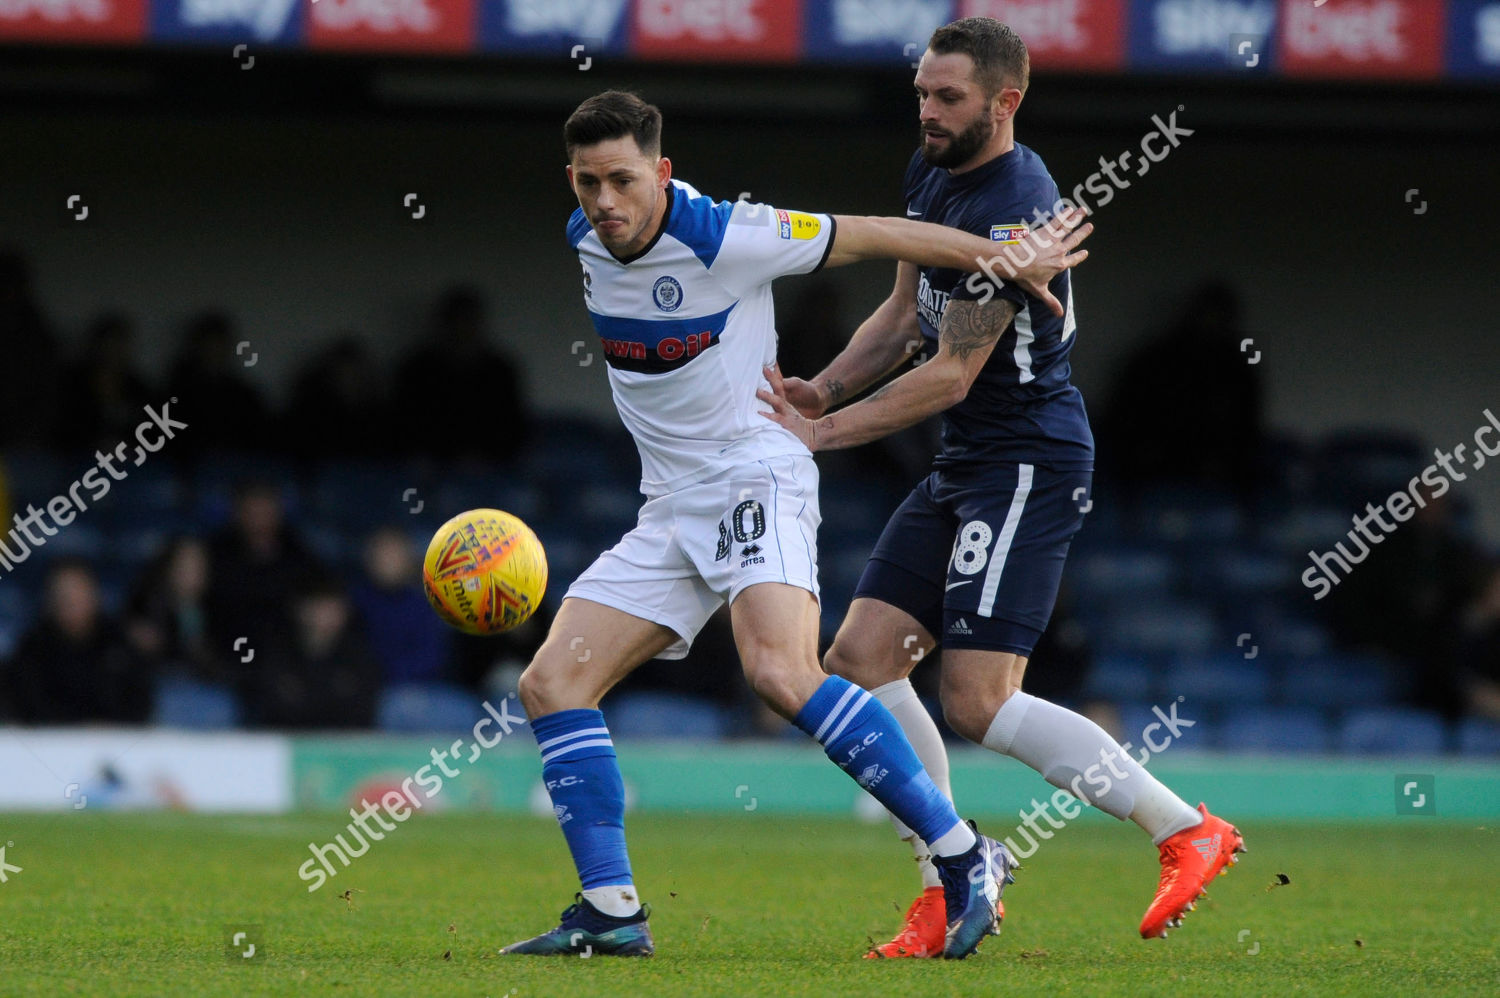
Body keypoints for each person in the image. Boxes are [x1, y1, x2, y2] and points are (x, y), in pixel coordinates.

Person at [499, 90, 1091, 960]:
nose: (606, 203)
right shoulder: (584, 238)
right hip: (669, 507)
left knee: (780, 672)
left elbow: (881, 232)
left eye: (623, 180)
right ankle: (613, 909)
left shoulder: (729, 234)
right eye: (588, 183)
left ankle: (965, 856)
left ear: (661, 173)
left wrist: (1002, 257)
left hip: (754, 475)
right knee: (550, 685)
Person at [760, 18, 1242, 954]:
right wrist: (822, 385)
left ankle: (1186, 829)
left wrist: (818, 434)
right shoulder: (930, 170)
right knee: (859, 663)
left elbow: (948, 374)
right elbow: (904, 316)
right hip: (968, 462)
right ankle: (953, 875)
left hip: (1026, 458)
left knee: (976, 701)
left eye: (948, 98)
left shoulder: (1016, 209)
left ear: (1004, 102)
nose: (928, 112)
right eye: (921, 95)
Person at [6, 558, 147, 724]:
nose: (71, 600)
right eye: (62, 593)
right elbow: (24, 705)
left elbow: (139, 703)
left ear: (94, 594)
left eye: (78, 591)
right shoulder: (32, 647)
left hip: (114, 740)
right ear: (50, 599)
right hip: (51, 741)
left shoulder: (120, 642)